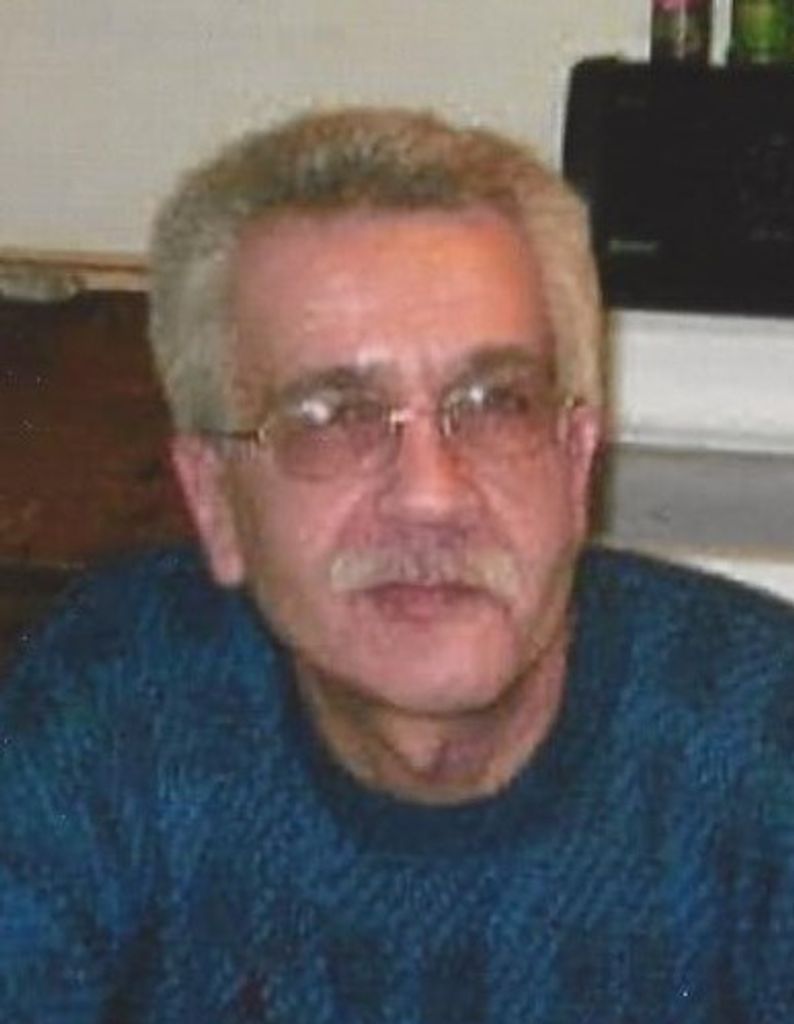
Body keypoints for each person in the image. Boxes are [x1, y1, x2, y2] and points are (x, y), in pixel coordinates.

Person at [1, 106, 793, 1024]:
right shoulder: (112, 714)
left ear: (577, 464)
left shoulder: (763, 745)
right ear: (215, 499)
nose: (430, 495)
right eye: (332, 417)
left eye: (495, 403)